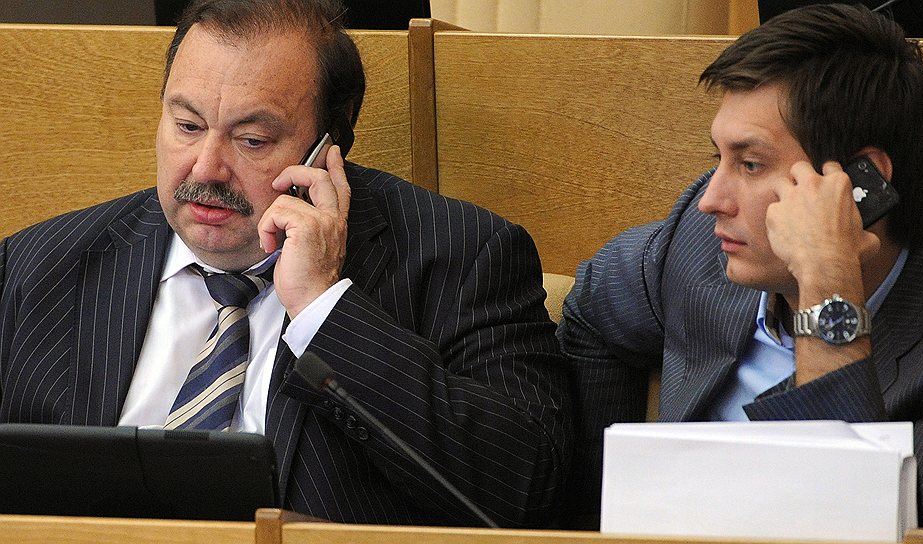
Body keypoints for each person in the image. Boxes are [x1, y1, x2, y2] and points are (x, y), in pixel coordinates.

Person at [0, 0, 570, 527]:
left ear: (327, 146)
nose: (205, 169)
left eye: (251, 140)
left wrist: (324, 307)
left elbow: (524, 494)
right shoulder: (38, 267)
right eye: (187, 126)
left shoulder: (463, 257)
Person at [557, 3, 923, 530]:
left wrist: (826, 280)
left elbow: (837, 523)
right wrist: (603, 513)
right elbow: (593, 310)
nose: (711, 200)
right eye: (719, 159)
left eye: (750, 164)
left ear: (860, 185)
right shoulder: (698, 247)